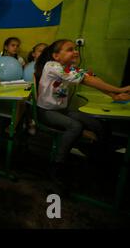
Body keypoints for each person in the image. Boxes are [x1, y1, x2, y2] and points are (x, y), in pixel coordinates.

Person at [35, 39, 130, 182]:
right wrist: (120, 90)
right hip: (46, 112)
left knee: (98, 125)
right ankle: (57, 165)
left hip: (61, 110)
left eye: (75, 49)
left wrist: (113, 95)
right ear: (56, 56)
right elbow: (85, 79)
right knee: (75, 126)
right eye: (69, 49)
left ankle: (98, 157)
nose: (75, 51)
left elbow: (89, 78)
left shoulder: (68, 68)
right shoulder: (52, 66)